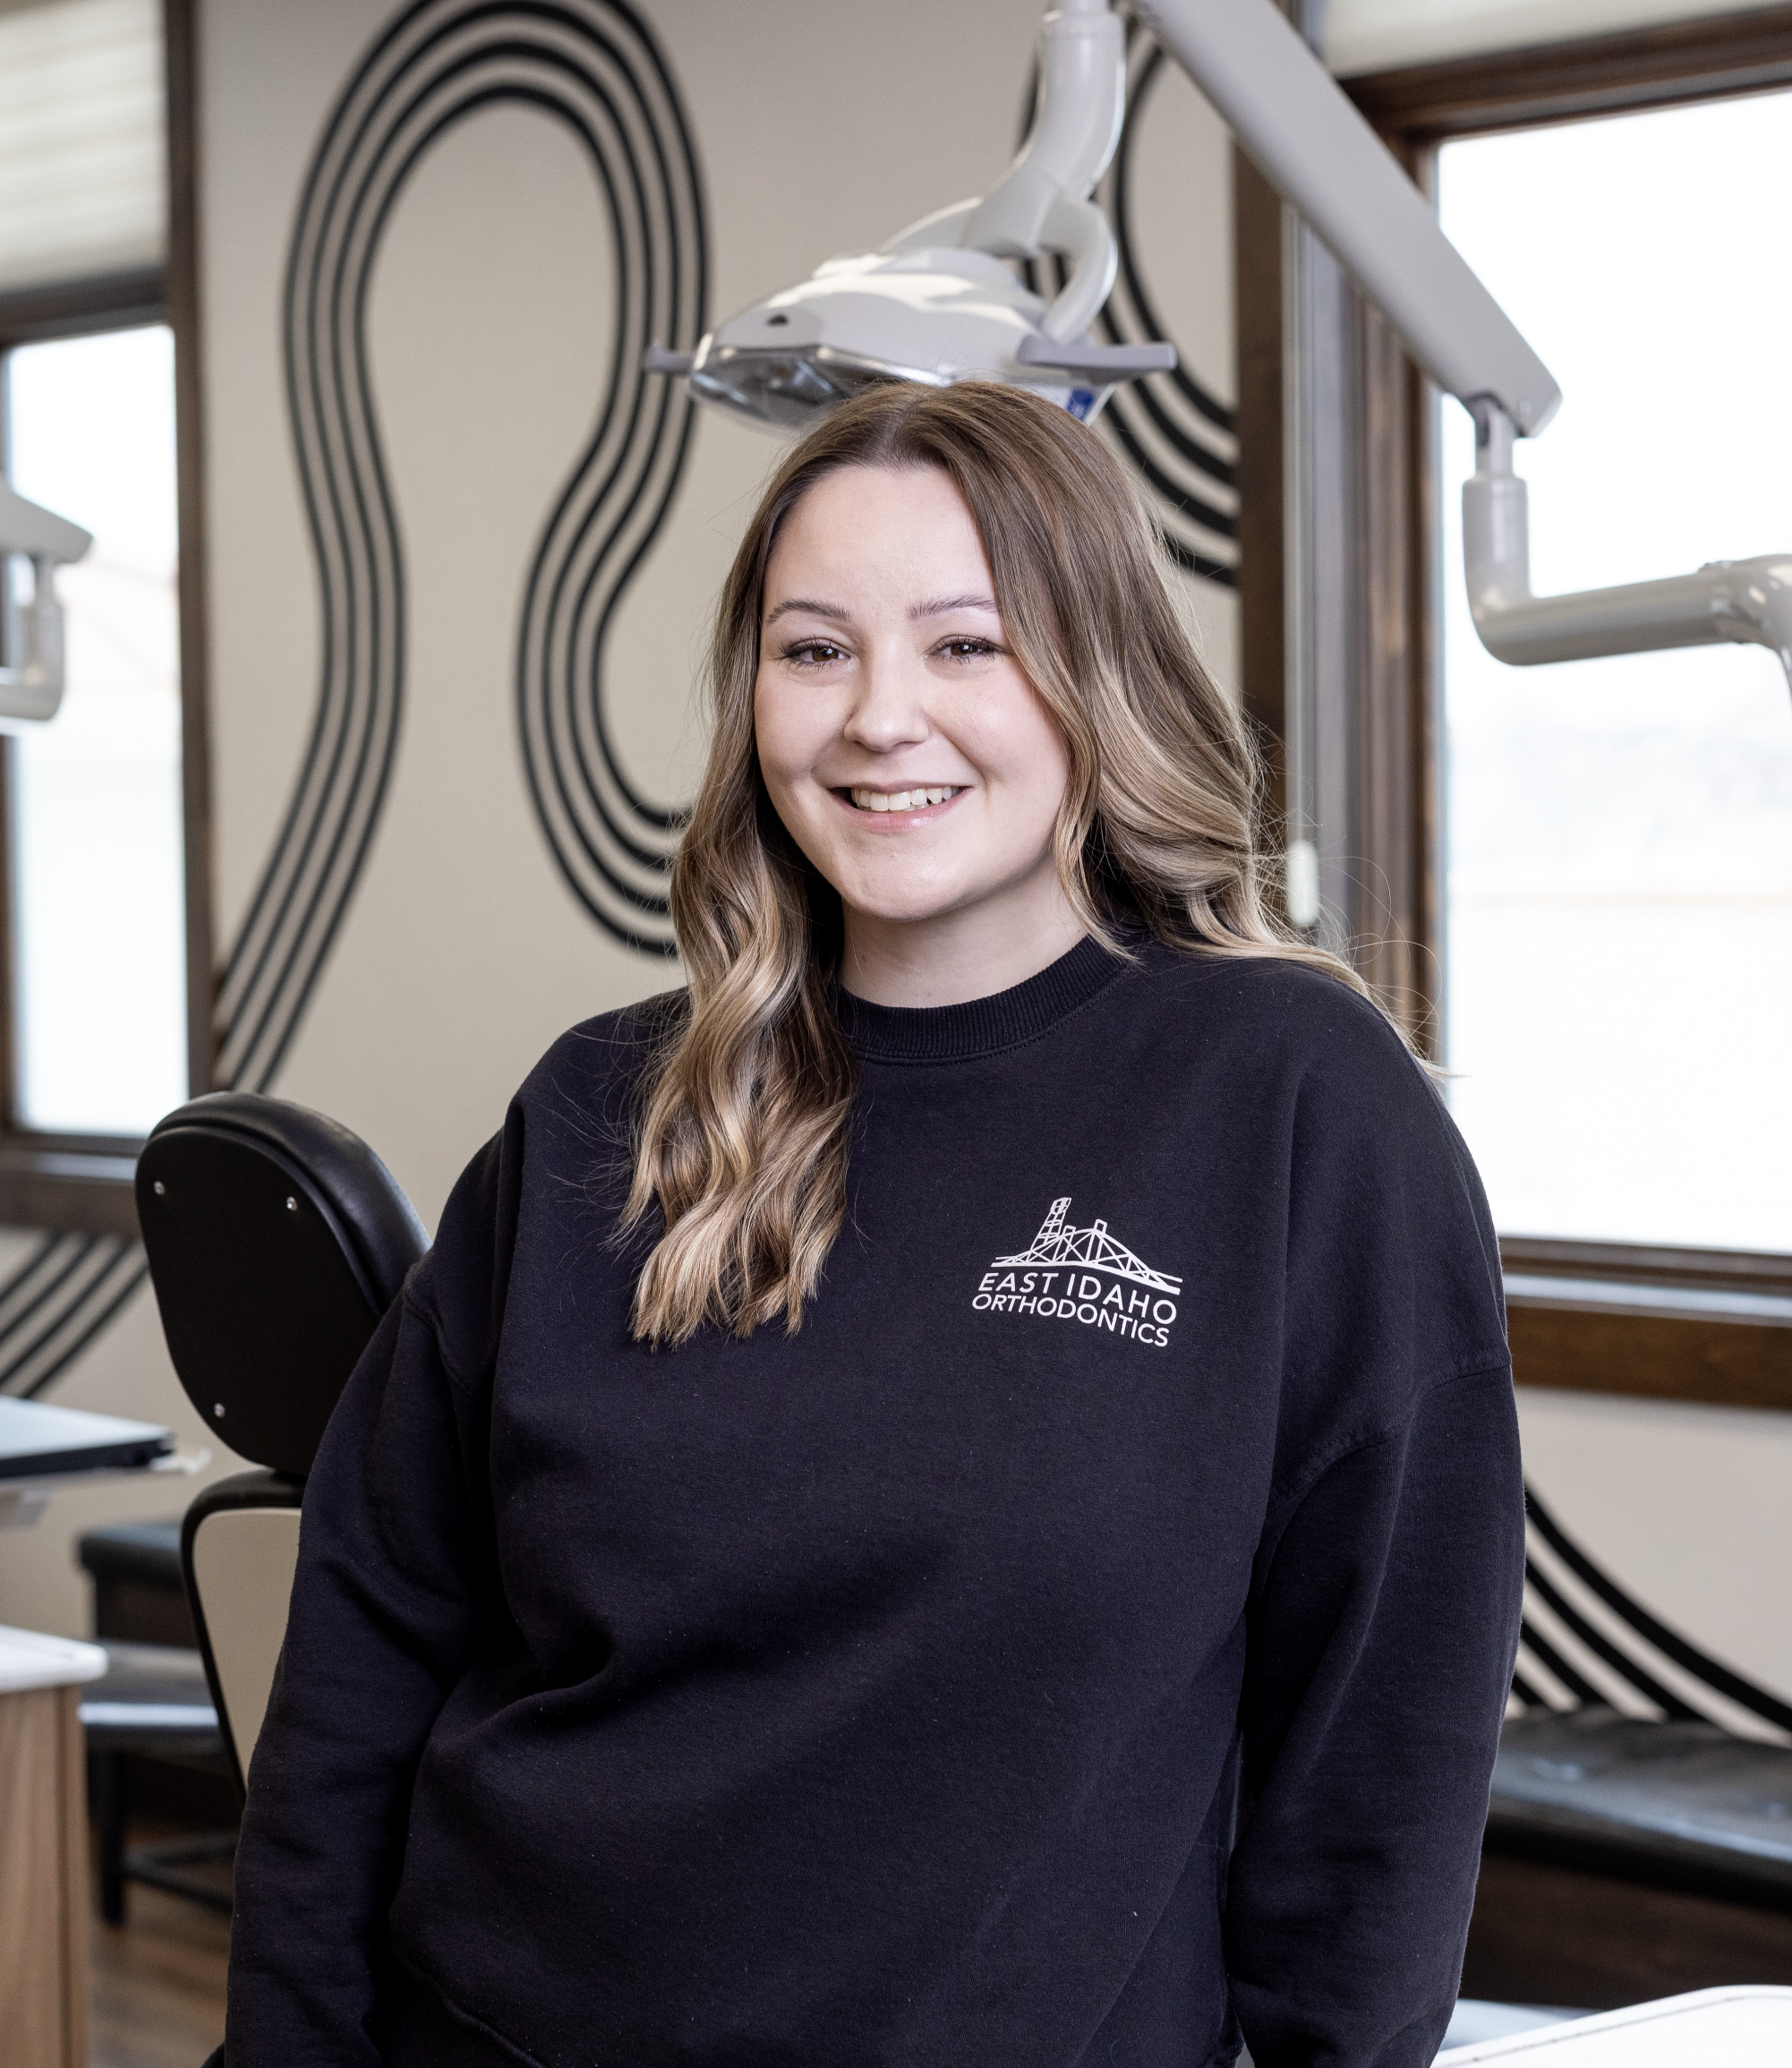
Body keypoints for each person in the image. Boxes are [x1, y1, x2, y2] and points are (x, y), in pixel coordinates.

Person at [218, 380, 1523, 2068]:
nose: (877, 719)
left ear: (1097, 677)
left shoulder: (1291, 1103)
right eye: (813, 648)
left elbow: (1382, 1750)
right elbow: (366, 1637)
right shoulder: (600, 1113)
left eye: (966, 645)